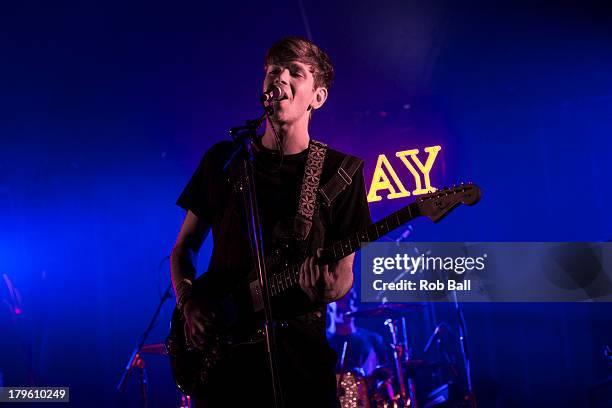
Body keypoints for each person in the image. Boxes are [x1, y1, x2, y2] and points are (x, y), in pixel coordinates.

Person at [170, 36, 371, 407]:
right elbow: (183, 248)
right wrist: (188, 301)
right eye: (273, 70)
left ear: (318, 97)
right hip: (225, 363)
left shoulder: (340, 173)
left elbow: (344, 275)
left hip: (298, 360)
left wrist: (327, 290)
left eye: (295, 71)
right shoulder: (225, 160)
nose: (281, 77)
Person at [327, 288, 387, 376]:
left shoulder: (374, 339)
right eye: (342, 298)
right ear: (329, 306)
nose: (348, 303)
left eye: (351, 298)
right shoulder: (318, 341)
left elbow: (385, 380)